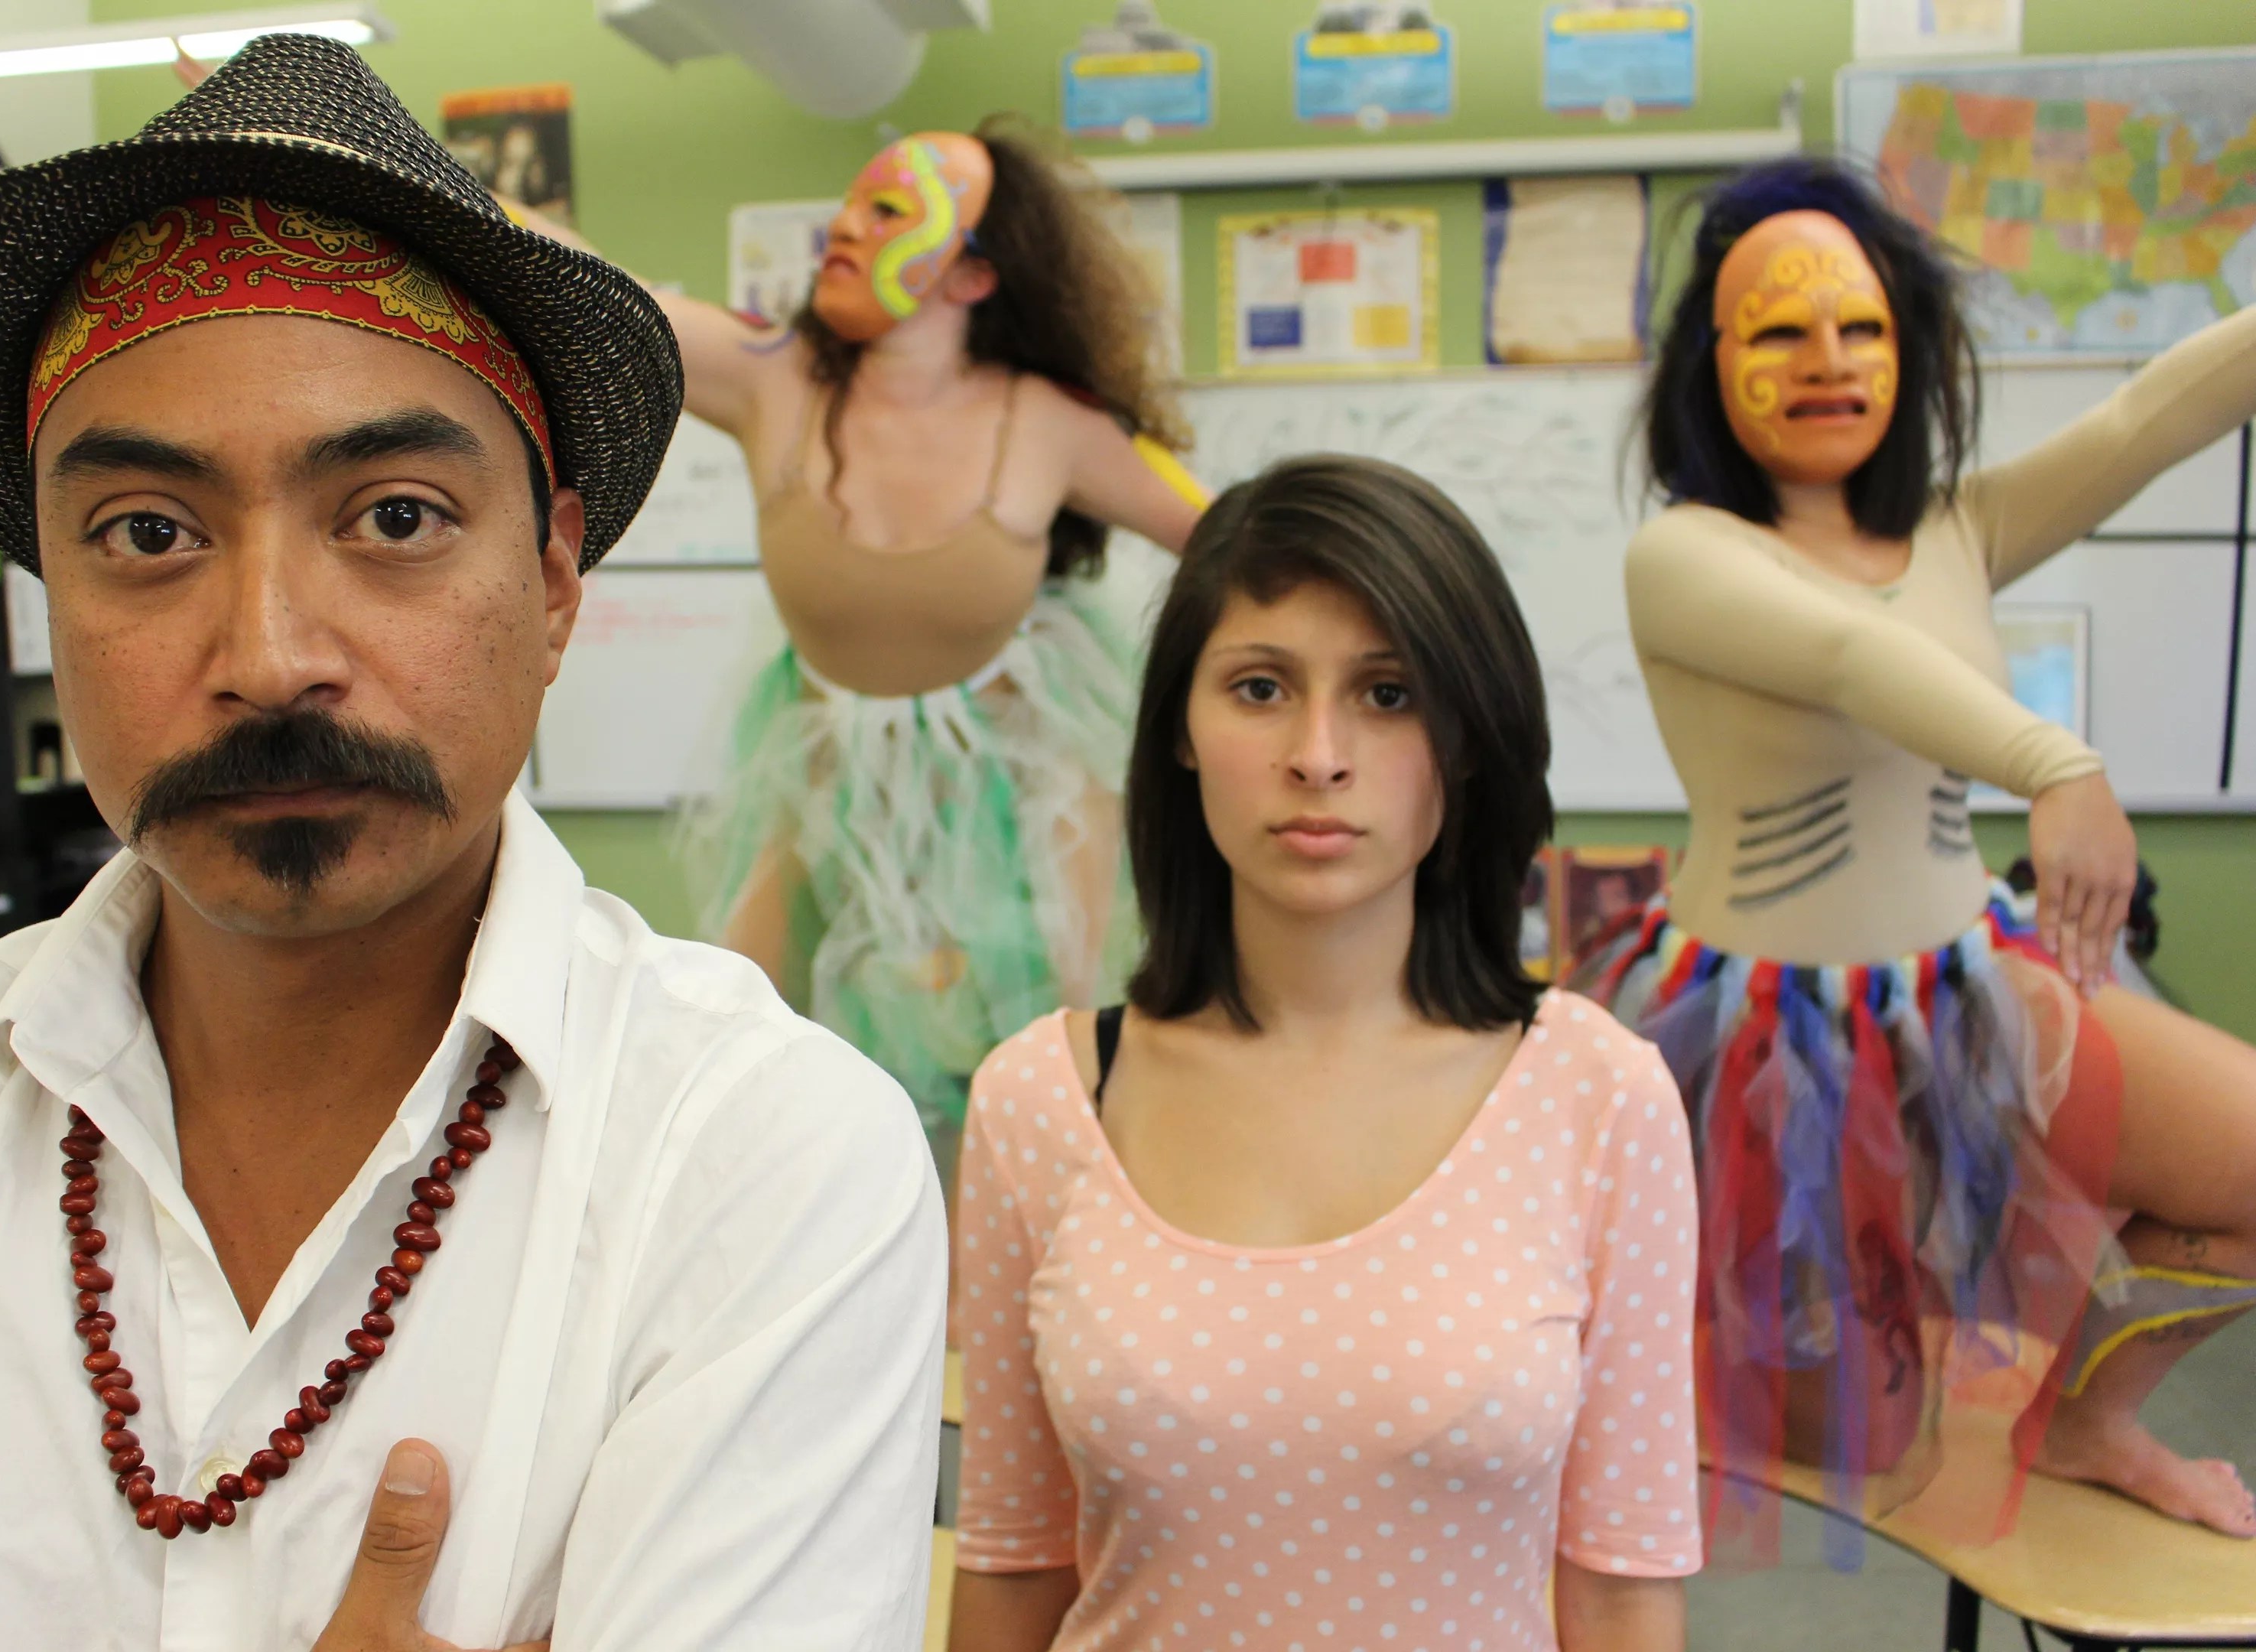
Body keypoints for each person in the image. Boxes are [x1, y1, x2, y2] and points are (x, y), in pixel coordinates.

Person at [0, 36, 944, 1650]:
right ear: (49, 595)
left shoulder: (762, 1163)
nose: (269, 656)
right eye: (148, 533)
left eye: (396, 517)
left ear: (553, 585)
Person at [1574, 155, 2256, 1553]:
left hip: (1983, 993)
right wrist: (2053, 764)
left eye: (1861, 325)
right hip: (1776, 1052)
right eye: (1780, 329)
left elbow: (2148, 417)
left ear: (1910, 346)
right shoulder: (1684, 555)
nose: (1827, 359)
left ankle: (2089, 1419)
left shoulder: (1957, 527)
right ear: (1713, 361)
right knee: (1862, 1458)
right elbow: (1846, 652)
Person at [949, 458, 1701, 1652]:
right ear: (1181, 730)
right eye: (1259, 688)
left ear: (1467, 737)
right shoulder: (1038, 1101)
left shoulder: (1600, 1096)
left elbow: (1621, 1585)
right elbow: (1011, 1568)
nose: (1318, 754)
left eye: (1388, 695)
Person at [653, 121, 1208, 1159]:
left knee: (1039, 1055)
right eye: (852, 202)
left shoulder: (1050, 419)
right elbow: (593, 287)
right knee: (755, 1032)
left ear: (973, 276)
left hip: (1023, 782)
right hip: (821, 764)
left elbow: (1230, 538)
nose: (846, 226)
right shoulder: (775, 373)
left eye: (890, 213)